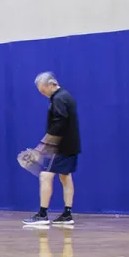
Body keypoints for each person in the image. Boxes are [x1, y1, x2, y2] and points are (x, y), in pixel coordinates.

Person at [24, 72, 79, 227]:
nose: (42, 94)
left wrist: (42, 146)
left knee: (45, 176)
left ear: (51, 84)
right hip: (71, 144)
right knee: (65, 177)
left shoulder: (59, 99)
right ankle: (67, 214)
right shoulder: (66, 96)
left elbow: (59, 124)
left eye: (43, 90)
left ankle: (42, 214)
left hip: (61, 146)